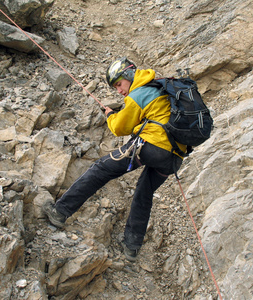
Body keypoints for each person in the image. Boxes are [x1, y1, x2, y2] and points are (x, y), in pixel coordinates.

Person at [43, 57, 186, 261]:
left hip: (151, 146)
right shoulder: (160, 87)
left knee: (102, 169)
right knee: (144, 192)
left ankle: (60, 212)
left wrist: (110, 115)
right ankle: (131, 247)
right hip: (174, 157)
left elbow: (119, 128)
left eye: (119, 84)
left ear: (128, 75)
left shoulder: (139, 93)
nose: (119, 91)